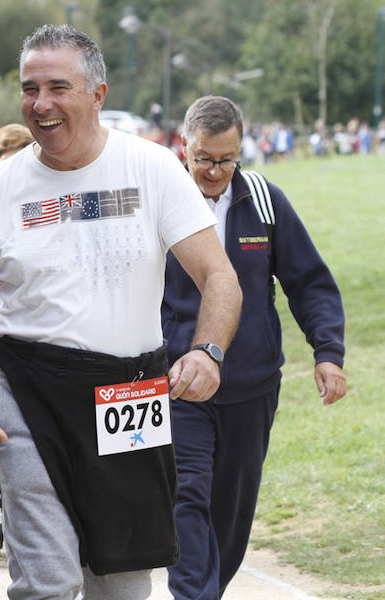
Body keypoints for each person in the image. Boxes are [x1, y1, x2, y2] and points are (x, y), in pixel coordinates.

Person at [0, 25, 243, 600]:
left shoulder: (151, 168)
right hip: (28, 387)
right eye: (29, 89)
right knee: (49, 582)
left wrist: (208, 351)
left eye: (58, 87)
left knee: (121, 586)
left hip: (130, 392)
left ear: (97, 95)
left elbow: (219, 276)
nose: (40, 104)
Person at [164, 95, 347, 600]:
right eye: (204, 158)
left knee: (231, 505)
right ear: (185, 146)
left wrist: (327, 352)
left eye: (226, 159)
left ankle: (207, 590)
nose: (215, 171)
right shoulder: (160, 199)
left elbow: (308, 282)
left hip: (251, 384)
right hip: (177, 383)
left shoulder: (265, 201)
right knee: (187, 492)